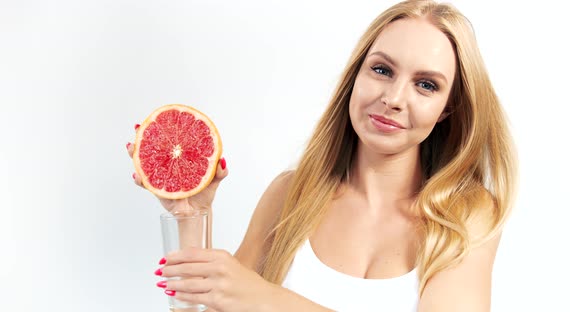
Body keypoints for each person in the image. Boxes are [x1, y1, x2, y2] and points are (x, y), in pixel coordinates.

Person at [126, 0, 517, 310]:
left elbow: (247, 298)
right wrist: (189, 217)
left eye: (426, 85)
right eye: (381, 70)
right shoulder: (290, 195)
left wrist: (261, 297)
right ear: (355, 77)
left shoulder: (465, 216)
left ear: (448, 108)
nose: (393, 99)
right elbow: (209, 309)